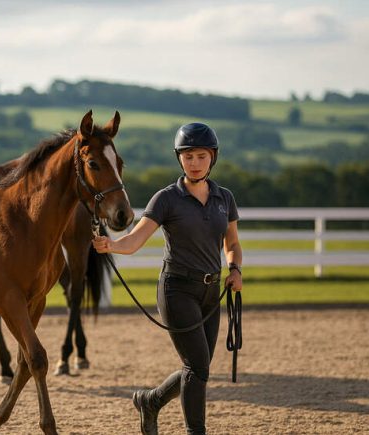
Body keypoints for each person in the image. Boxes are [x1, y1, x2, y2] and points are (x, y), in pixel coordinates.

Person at [92, 122, 243, 435]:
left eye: (201, 156)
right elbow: (136, 239)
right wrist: (112, 246)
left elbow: (233, 242)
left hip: (211, 291)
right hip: (176, 290)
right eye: (188, 156)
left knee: (197, 369)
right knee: (198, 366)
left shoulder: (223, 198)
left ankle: (151, 401)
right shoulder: (166, 199)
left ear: (212, 157)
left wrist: (235, 269)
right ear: (179, 159)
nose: (194, 162)